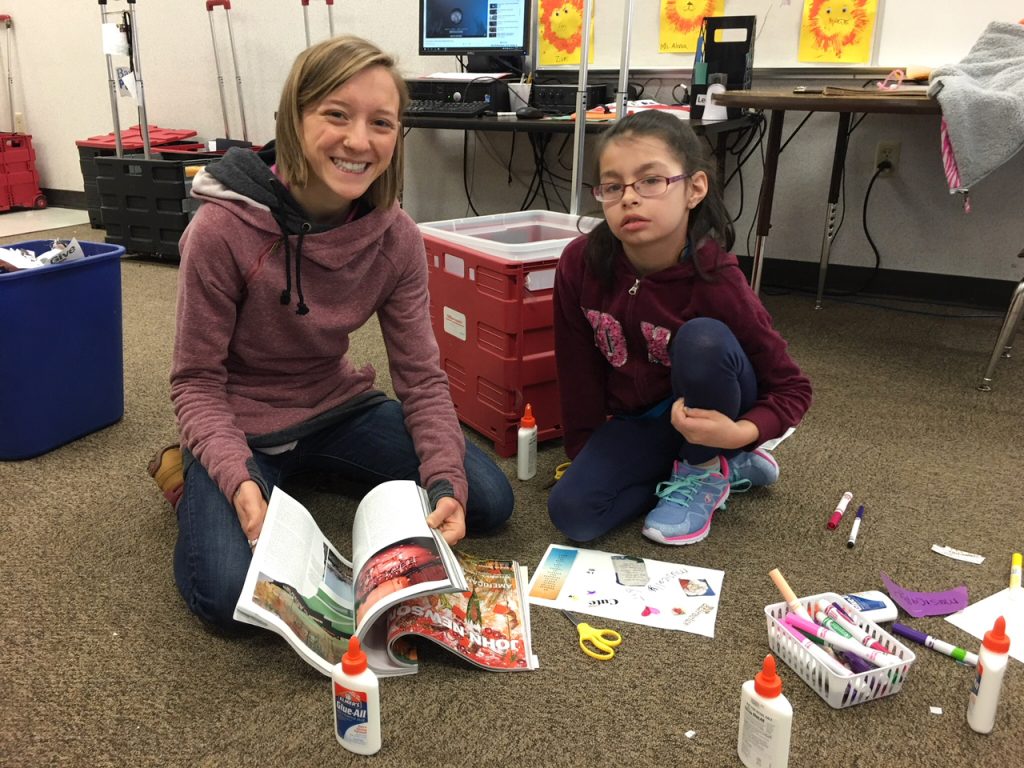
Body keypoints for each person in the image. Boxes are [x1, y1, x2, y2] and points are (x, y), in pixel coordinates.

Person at [154, 35, 513, 631]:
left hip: (335, 407)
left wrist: (445, 478)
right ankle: (194, 469)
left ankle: (306, 472)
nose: (359, 141)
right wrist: (237, 477)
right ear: (295, 119)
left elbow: (421, 377)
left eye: (382, 122)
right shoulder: (220, 231)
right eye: (336, 115)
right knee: (225, 595)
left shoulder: (395, 236)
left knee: (485, 499)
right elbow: (194, 381)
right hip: (240, 423)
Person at [548, 110, 811, 546]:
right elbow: (576, 369)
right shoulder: (580, 262)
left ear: (694, 188)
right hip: (641, 420)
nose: (629, 198)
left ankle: (706, 468)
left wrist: (741, 432)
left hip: (715, 403)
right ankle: (727, 463)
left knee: (702, 339)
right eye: (613, 186)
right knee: (574, 514)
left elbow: (792, 388)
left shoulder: (717, 279)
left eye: (651, 181)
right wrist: (586, 456)